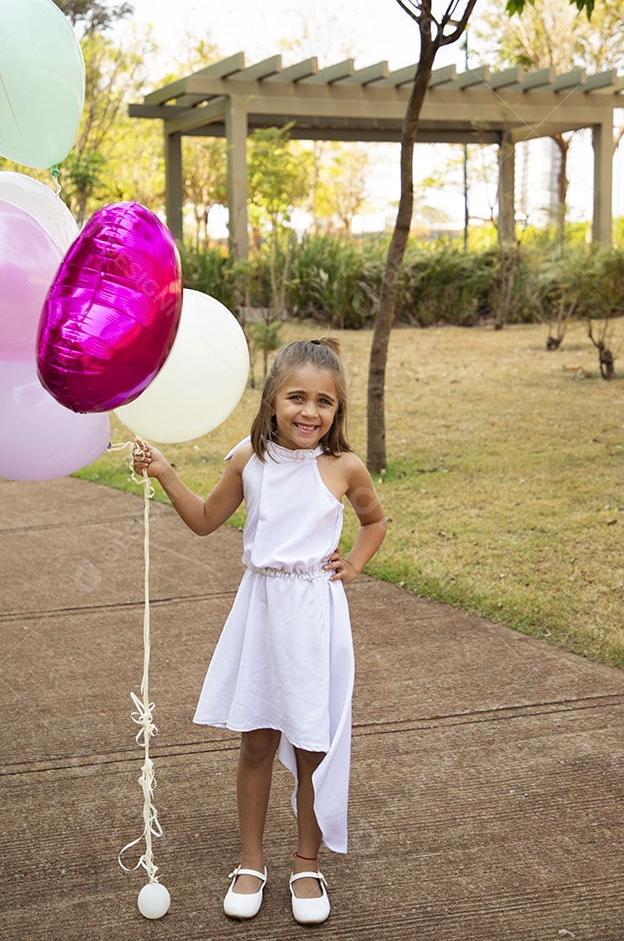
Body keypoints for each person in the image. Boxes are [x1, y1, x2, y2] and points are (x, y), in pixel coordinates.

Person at [133, 337, 386, 925]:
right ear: (272, 400)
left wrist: (354, 561)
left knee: (311, 745)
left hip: (316, 619)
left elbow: (373, 521)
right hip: (263, 610)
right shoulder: (251, 459)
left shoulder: (344, 467)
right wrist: (166, 470)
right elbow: (203, 521)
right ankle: (252, 861)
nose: (309, 412)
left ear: (337, 411)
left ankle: (306, 862)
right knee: (255, 739)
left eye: (324, 402)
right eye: (296, 397)